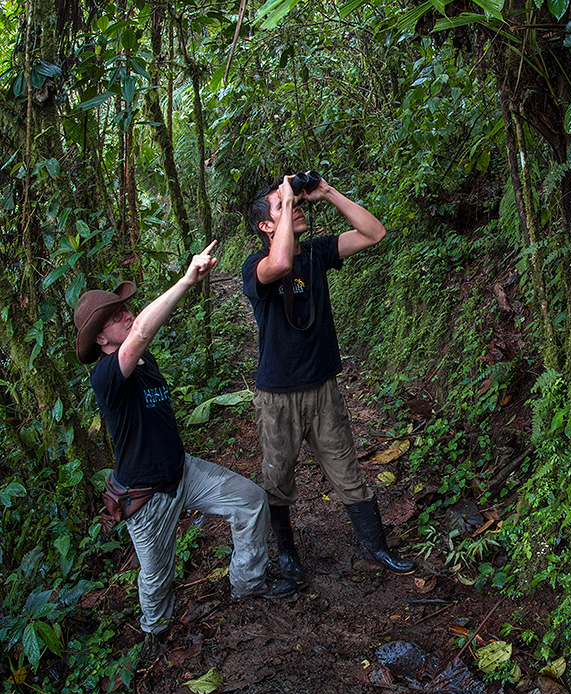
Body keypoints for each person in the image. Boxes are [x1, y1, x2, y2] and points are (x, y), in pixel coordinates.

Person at [73, 242, 292, 658]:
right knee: (157, 577)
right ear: (101, 337)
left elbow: (139, 341)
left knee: (251, 501)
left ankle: (248, 585)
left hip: (183, 472)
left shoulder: (145, 363)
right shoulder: (105, 376)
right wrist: (187, 280)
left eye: (122, 309)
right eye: (113, 317)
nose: (125, 315)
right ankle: (155, 636)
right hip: (147, 496)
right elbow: (139, 335)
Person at [242, 174, 416, 591]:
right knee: (278, 479)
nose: (295, 206)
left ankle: (375, 547)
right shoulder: (255, 267)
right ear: (267, 226)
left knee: (347, 469)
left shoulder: (317, 253)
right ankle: (289, 561)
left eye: (293, 202)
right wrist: (284, 194)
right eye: (283, 206)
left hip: (322, 389)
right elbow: (279, 264)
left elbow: (374, 233)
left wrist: (327, 193)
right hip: (278, 397)